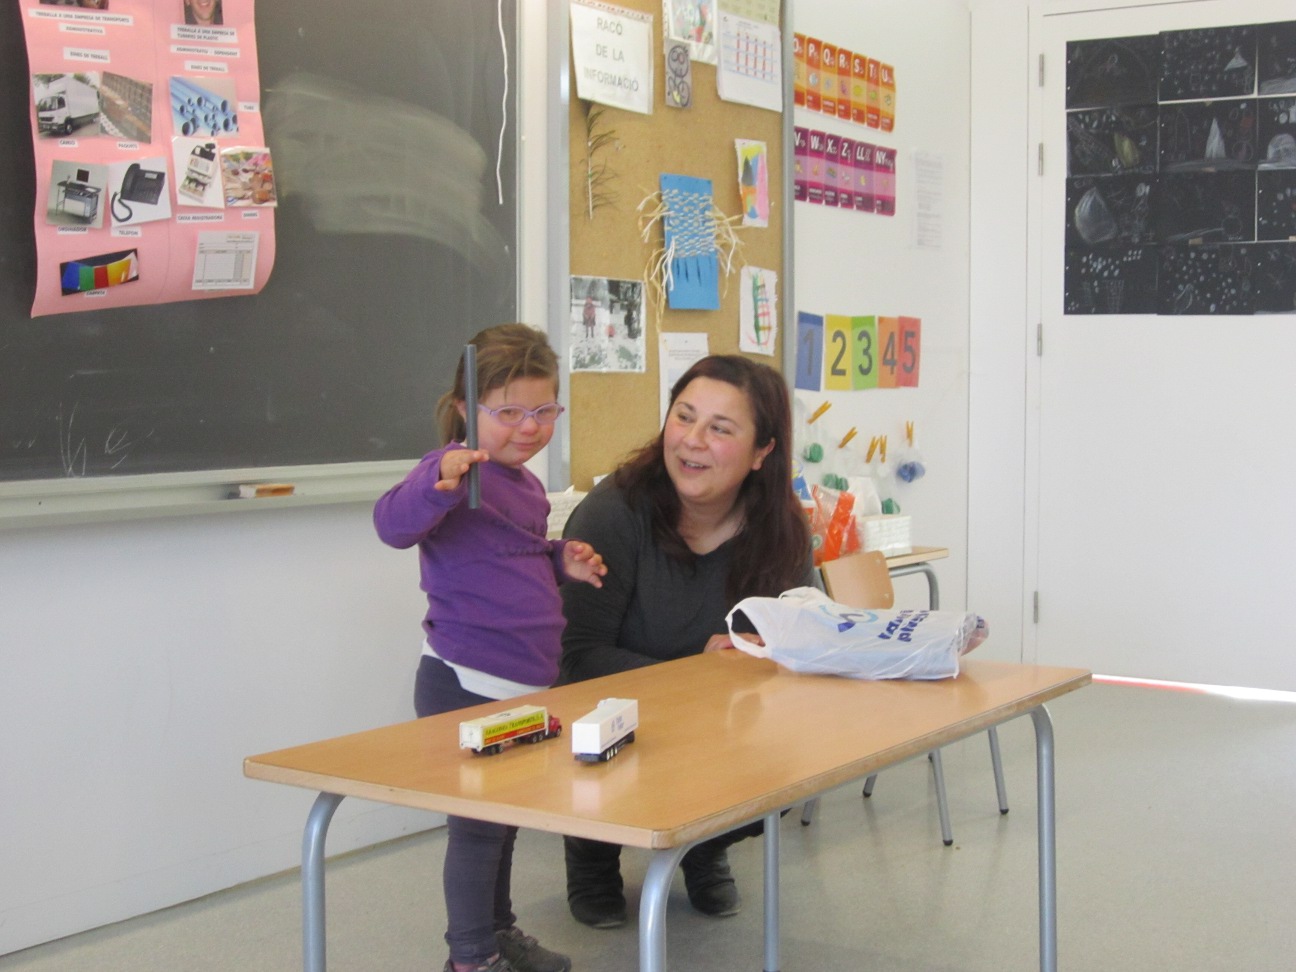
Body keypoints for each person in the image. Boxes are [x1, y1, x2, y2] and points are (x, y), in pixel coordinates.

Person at [375, 323, 608, 972]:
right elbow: (391, 525)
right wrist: (439, 479)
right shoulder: (449, 474)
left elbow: (515, 552)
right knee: (477, 829)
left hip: (523, 688)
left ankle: (498, 932)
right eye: (508, 413)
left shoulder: (524, 484)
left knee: (504, 821)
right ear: (465, 408)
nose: (529, 428)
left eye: (544, 411)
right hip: (465, 685)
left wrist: (562, 559)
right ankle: (470, 959)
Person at [559, 354, 814, 928]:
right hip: (613, 717)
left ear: (761, 452)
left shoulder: (781, 528)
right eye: (684, 416)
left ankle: (704, 845)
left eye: (720, 428)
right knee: (603, 737)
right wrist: (696, 672)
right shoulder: (612, 515)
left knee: (789, 762)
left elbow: (807, 632)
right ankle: (591, 851)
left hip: (719, 725)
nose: (692, 441)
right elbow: (574, 658)